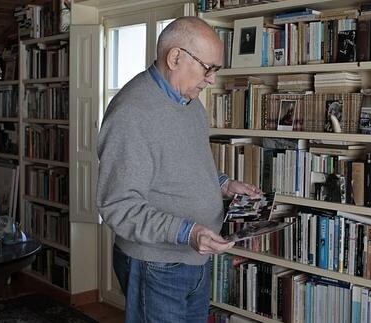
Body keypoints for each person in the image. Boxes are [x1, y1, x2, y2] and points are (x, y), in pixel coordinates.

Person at [96, 17, 262, 323]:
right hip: (156, 266)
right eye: (208, 67)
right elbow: (118, 206)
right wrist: (187, 232)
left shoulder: (190, 103)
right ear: (175, 57)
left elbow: (181, 167)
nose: (212, 79)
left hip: (194, 258)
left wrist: (222, 185)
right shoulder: (131, 113)